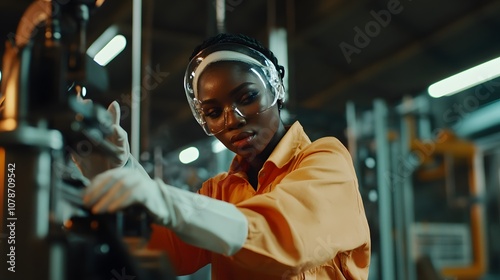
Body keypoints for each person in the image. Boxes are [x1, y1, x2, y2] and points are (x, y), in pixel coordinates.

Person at [79, 33, 371, 279]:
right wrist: (120, 171)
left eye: (247, 98)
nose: (233, 120)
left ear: (276, 89)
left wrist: (168, 201)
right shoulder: (220, 192)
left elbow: (287, 238)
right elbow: (168, 249)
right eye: (214, 112)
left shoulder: (325, 160)